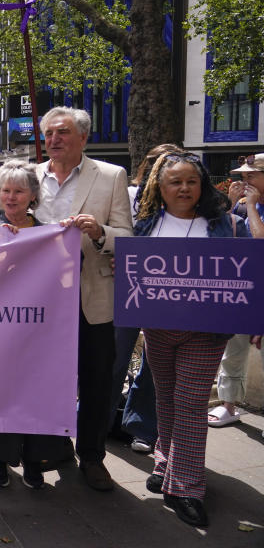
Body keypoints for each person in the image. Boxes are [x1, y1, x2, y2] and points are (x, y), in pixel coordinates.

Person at [134, 151, 249, 526]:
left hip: (207, 332)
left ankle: (186, 487)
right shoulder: (145, 226)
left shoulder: (229, 225)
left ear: (201, 185)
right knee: (165, 399)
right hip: (158, 328)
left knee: (191, 404)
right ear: (160, 187)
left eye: (191, 181)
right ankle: (164, 460)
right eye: (175, 182)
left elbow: (248, 274)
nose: (184, 188)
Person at [33, 106, 132, 492]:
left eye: (63, 132)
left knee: (95, 380)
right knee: (44, 377)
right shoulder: (29, 175)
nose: (54, 139)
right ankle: (49, 450)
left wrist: (100, 231)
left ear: (83, 138)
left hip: (90, 297)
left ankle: (92, 457)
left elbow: (126, 236)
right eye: (49, 133)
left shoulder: (110, 176)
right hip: (39, 298)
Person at [0, 161, 75, 489]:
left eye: (18, 191)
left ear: (33, 196)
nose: (11, 197)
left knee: (35, 396)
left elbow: (64, 280)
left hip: (37, 334)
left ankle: (35, 461)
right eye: (5, 190)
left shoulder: (49, 234)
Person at [112, 144, 180, 454]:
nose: (159, 171)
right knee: (113, 359)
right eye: (155, 164)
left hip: (165, 295)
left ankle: (141, 426)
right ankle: (97, 421)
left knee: (155, 365)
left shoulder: (182, 205)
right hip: (125, 289)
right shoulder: (127, 196)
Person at [207, 153, 264, 429]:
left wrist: (252, 207)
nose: (244, 180)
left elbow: (259, 245)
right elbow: (223, 236)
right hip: (243, 289)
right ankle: (228, 404)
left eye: (251, 175)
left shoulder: (250, 206)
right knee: (234, 347)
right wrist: (230, 204)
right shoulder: (240, 206)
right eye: (243, 175)